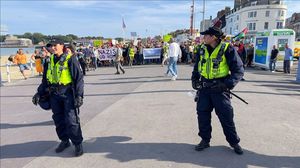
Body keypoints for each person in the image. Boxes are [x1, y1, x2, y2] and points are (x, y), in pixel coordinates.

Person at [191, 27, 245, 155]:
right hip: (204, 89)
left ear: (214, 37)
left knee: (226, 116)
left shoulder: (228, 49)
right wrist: (194, 79)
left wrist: (226, 85)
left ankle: (234, 142)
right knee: (202, 115)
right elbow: (197, 67)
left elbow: (239, 70)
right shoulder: (201, 49)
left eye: (206, 35)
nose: (203, 38)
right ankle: (205, 140)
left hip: (220, 89)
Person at [32, 39, 84, 157]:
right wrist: (38, 93)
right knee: (58, 119)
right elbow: (45, 81)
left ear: (62, 46)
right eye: (51, 46)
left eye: (55, 45)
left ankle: (77, 143)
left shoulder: (70, 59)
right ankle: (64, 141)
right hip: (54, 95)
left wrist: (80, 96)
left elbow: (78, 79)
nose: (53, 48)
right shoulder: (48, 61)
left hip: (67, 93)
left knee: (71, 120)